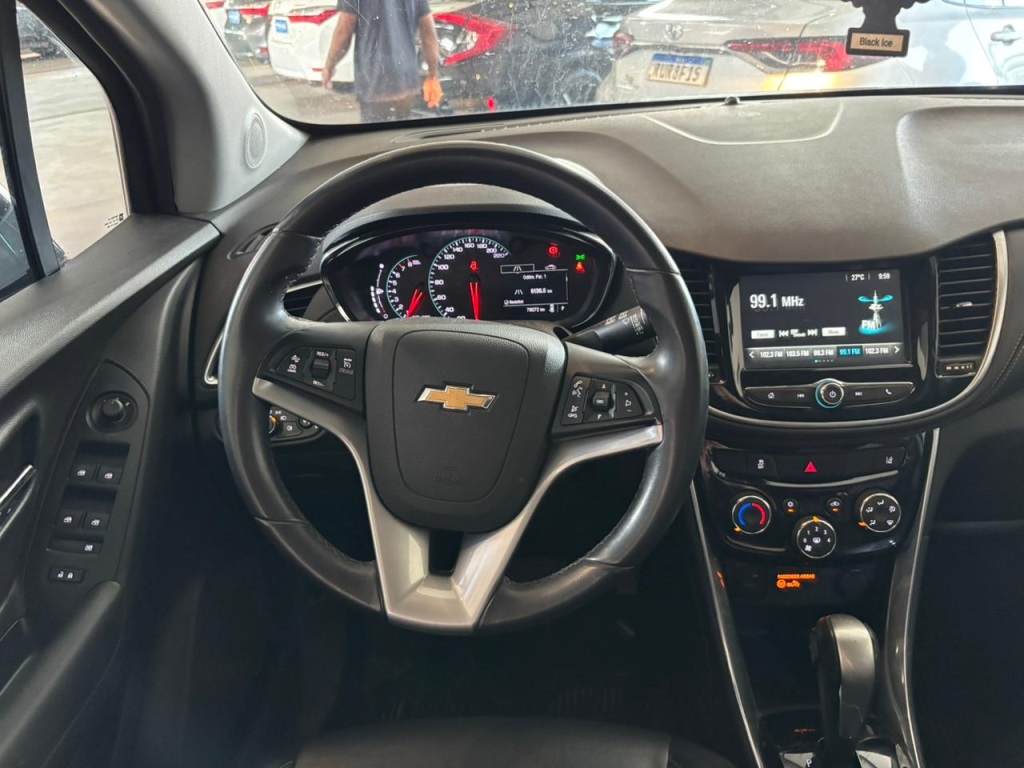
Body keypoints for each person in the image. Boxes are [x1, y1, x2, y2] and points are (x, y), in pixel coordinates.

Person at [322, 0, 443, 123]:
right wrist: (433, 74)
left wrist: (329, 66)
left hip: (375, 80)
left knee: (375, 132)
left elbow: (344, 31)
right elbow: (428, 31)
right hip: (406, 80)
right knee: (403, 130)